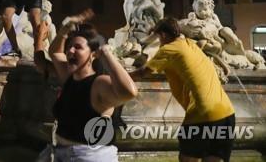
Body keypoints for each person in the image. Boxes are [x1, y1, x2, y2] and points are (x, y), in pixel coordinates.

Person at [37, 10, 138, 162]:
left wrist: (106, 53)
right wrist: (66, 28)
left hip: (89, 157)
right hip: (62, 153)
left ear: (93, 54)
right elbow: (55, 53)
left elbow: (129, 91)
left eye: (78, 47)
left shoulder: (99, 83)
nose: (70, 50)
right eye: (70, 46)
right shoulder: (71, 77)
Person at [130, 17, 235, 162]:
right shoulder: (189, 43)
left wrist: (116, 77)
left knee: (187, 157)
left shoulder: (168, 49)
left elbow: (142, 73)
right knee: (213, 158)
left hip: (203, 115)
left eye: (158, 37)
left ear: (164, 36)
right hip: (227, 113)